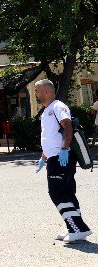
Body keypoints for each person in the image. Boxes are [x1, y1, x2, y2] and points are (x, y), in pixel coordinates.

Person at [34, 79, 91, 242]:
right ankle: (74, 229)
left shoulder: (58, 106)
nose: (36, 94)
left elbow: (67, 127)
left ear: (46, 91)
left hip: (61, 157)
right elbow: (51, 137)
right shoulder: (47, 111)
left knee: (57, 193)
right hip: (54, 158)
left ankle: (78, 228)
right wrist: (43, 158)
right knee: (67, 193)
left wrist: (65, 149)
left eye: (37, 91)